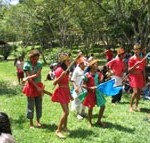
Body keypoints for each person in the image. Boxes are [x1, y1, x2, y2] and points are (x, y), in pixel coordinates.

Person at [51, 53, 72, 138]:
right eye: (67, 60)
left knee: (67, 112)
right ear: (63, 61)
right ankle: (58, 130)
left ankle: (65, 127)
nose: (69, 61)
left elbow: (67, 83)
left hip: (66, 91)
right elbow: (54, 83)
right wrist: (61, 75)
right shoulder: (59, 70)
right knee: (66, 112)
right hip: (60, 91)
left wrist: (70, 94)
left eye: (69, 60)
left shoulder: (66, 69)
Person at [22, 49, 44, 128]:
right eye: (34, 59)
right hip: (31, 87)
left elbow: (37, 75)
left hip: (39, 86)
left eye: (37, 59)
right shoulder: (26, 65)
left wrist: (27, 77)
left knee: (39, 105)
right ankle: (31, 123)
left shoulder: (39, 64)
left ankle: (38, 121)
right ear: (31, 58)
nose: (36, 60)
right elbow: (30, 80)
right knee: (30, 105)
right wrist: (36, 87)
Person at [82, 59, 106, 127]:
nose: (97, 65)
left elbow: (99, 83)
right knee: (90, 108)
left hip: (98, 92)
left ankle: (99, 121)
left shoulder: (98, 74)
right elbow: (83, 85)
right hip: (90, 93)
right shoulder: (87, 75)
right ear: (92, 66)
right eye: (96, 64)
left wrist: (101, 80)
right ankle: (90, 122)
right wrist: (90, 88)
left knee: (103, 106)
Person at [128, 44, 146, 112]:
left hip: (140, 76)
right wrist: (135, 65)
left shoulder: (142, 59)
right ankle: (130, 106)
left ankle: (136, 105)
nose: (136, 51)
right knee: (135, 92)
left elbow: (143, 69)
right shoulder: (131, 58)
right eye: (135, 49)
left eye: (137, 49)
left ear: (140, 50)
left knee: (139, 92)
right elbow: (129, 70)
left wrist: (144, 78)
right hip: (134, 77)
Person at [70, 56, 87, 120]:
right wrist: (75, 87)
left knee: (84, 100)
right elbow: (73, 80)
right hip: (77, 88)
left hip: (83, 87)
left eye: (84, 63)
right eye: (83, 63)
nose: (84, 65)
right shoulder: (76, 70)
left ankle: (83, 111)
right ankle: (78, 114)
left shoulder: (84, 69)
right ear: (80, 64)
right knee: (78, 101)